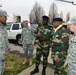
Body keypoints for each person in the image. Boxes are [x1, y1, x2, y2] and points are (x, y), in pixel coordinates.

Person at [0, 9, 10, 75]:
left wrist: (8, 47)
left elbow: (5, 38)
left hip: (3, 55)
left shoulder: (4, 27)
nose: (6, 19)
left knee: (2, 71)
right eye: (5, 17)